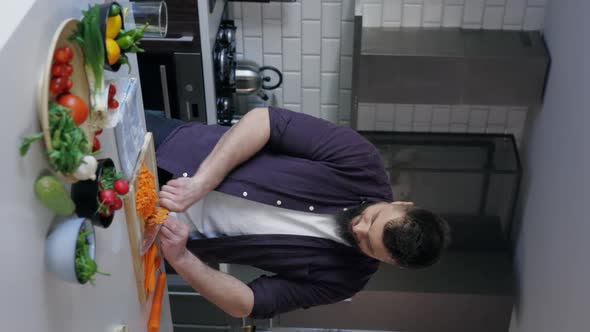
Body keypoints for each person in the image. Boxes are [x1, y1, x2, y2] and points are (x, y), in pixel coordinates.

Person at [147, 106, 451, 319]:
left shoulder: (345, 279)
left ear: (390, 263)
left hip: (160, 234)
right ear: (402, 204)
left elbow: (249, 304)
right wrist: (202, 183)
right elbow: (264, 121)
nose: (359, 230)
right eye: (372, 219)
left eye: (369, 246)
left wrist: (183, 259)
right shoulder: (360, 161)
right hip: (171, 151)